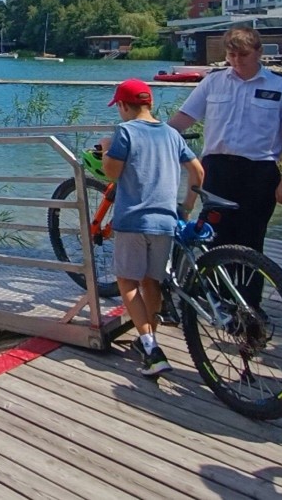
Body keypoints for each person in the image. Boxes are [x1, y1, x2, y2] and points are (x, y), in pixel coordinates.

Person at [168, 26, 282, 255]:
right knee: (214, 239)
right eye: (231, 55)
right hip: (217, 170)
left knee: (250, 243)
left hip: (259, 173)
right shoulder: (213, 82)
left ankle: (247, 292)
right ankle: (216, 291)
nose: (236, 60)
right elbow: (184, 117)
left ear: (258, 52)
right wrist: (154, 134)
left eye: (243, 54)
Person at [102, 79, 204, 377]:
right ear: (150, 104)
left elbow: (112, 172)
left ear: (123, 105)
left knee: (127, 283)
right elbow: (198, 171)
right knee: (151, 282)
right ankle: (150, 338)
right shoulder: (172, 134)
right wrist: (186, 207)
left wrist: (108, 149)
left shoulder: (125, 131)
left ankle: (151, 348)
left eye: (118, 107)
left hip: (133, 220)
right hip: (165, 222)